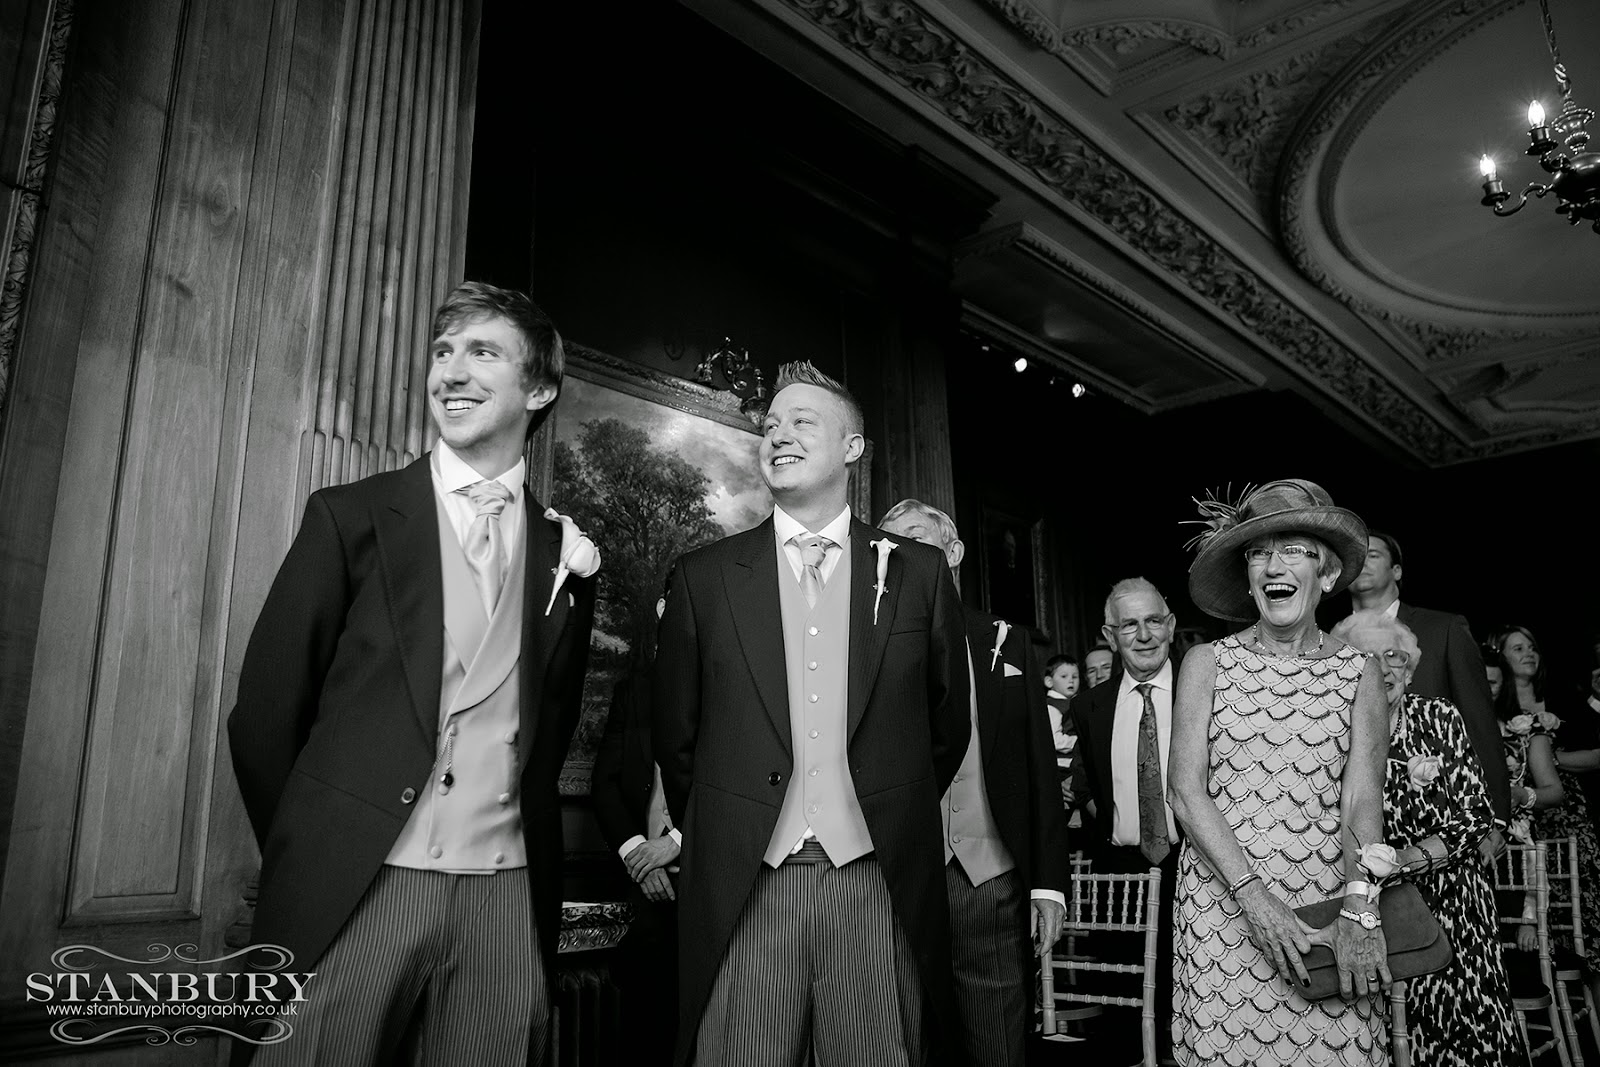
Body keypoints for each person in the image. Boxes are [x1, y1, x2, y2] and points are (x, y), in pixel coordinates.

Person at [228, 283, 599, 1064]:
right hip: (360, 882)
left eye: (482, 352)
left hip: (507, 892)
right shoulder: (350, 517)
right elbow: (264, 716)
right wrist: (320, 846)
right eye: (441, 352)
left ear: (539, 388)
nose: (450, 372)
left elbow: (550, 729)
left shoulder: (563, 554)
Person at [653, 362, 970, 1067]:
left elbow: (946, 725)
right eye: (771, 424)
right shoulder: (705, 578)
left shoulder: (918, 574)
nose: (779, 434)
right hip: (749, 881)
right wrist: (736, 820)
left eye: (802, 421)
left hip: (875, 878)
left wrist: (884, 798)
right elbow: (676, 738)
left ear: (852, 447)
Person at [1169, 479, 1389, 1065]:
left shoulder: (1360, 671)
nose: (1273, 566)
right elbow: (1185, 792)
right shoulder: (1206, 663)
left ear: (1327, 574)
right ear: (1248, 579)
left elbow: (1362, 800)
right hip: (1224, 906)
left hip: (1327, 907)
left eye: (1293, 550)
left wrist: (1360, 907)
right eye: (1258, 554)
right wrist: (1255, 899)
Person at [878, 498, 1069, 1067]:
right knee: (901, 1037)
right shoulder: (865, 646)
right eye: (888, 546)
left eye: (915, 538)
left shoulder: (1006, 642)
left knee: (995, 1043)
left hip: (989, 876)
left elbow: (1038, 765)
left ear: (954, 552)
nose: (901, 553)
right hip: (896, 877)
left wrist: (1048, 884)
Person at [1331, 610, 1523, 1067]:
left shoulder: (1438, 716)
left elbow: (1476, 813)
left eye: (1394, 656)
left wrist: (1407, 859)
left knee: (1469, 1027)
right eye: (1368, 658)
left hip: (1453, 900)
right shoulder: (1336, 729)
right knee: (1392, 1031)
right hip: (1373, 906)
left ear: (1411, 668)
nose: (1383, 668)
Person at [1068, 577, 1183, 1061]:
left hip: (1193, 869)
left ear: (1171, 625)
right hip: (1120, 876)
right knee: (1127, 1018)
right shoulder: (1089, 706)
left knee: (1193, 1004)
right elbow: (1088, 785)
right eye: (1130, 625)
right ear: (1110, 636)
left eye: (1154, 621)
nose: (1144, 635)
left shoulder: (1206, 691)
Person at [1347, 529, 1510, 836]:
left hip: (1441, 818)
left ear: (1397, 570)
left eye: (1373, 555)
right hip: (1354, 818)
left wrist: (1495, 817)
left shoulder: (1444, 628)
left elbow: (1478, 721)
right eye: (1355, 557)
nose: (1362, 563)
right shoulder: (1330, 639)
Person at [591, 576, 680, 1064]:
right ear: (664, 608)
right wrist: (638, 858)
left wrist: (677, 843)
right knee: (642, 1030)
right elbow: (604, 783)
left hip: (709, 881)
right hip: (641, 888)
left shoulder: (732, 687)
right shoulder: (634, 690)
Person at [1493, 625, 1600, 959]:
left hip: (1563, 811)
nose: (1529, 654)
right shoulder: (1492, 707)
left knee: (1581, 893)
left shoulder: (1562, 697)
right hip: (1521, 818)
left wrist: (1547, 758)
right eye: (1518, 648)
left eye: (1532, 647)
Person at [1043, 655, 1085, 825]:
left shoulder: (1073, 703)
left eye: (1075, 676)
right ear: (1049, 682)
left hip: (1072, 765)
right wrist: (1078, 742)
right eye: (1064, 676)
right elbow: (1054, 739)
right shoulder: (1052, 706)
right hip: (1061, 767)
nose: (1071, 681)